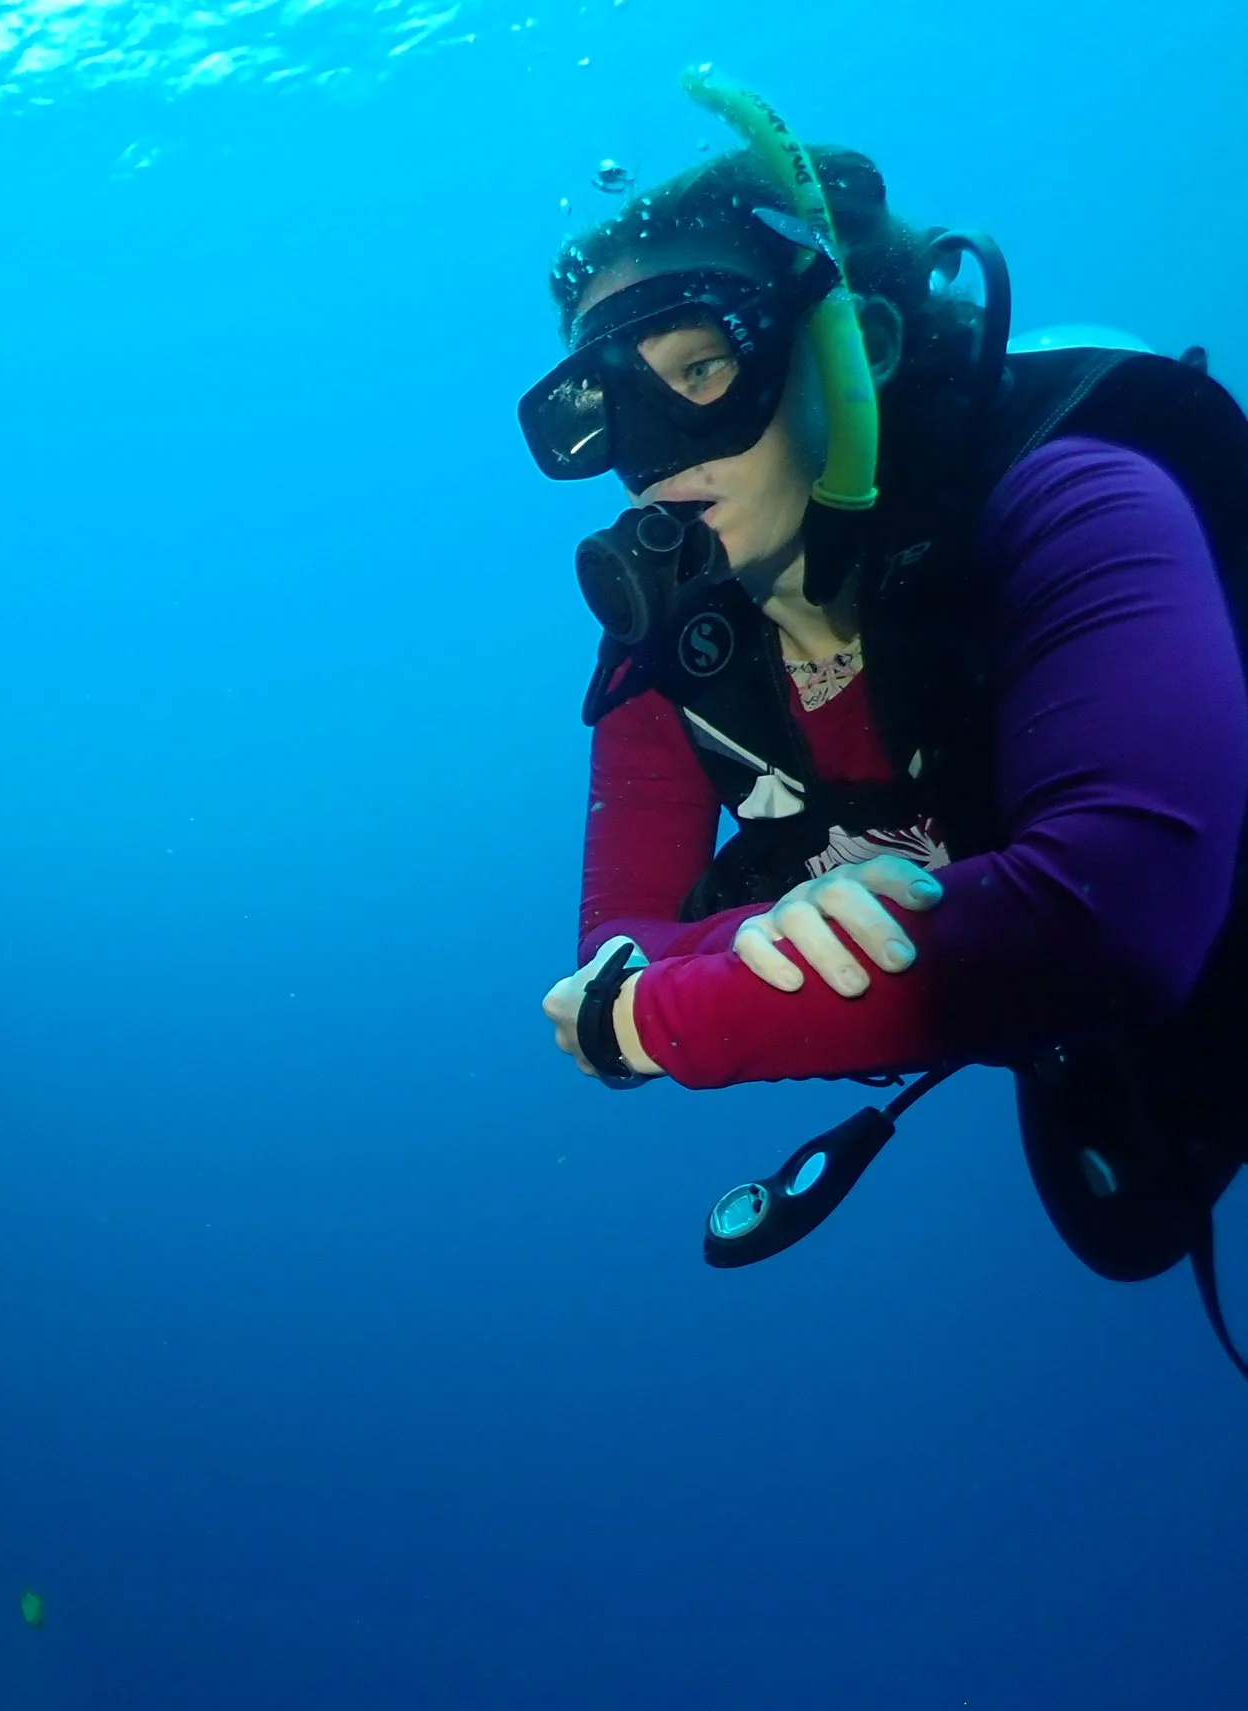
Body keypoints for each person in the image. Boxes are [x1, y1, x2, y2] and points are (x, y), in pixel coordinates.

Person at [520, 75, 1248, 1359]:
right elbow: (610, 943)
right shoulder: (671, 640)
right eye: (610, 407)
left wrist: (660, 1016)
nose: (655, 451)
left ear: (855, 344)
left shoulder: (1072, 500)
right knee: (1123, 1222)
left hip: (1193, 908)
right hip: (1060, 988)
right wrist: (750, 953)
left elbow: (1114, 920)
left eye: (701, 367)